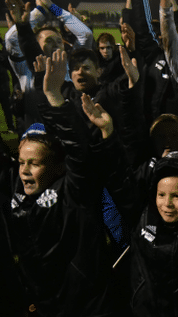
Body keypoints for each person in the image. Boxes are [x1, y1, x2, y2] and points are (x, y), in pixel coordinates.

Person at [0, 49, 127, 316]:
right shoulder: (14, 191)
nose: (24, 171)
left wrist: (55, 98)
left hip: (87, 306)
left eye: (34, 163)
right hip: (43, 305)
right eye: (22, 162)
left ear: (57, 167)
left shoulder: (74, 191)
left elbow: (78, 151)